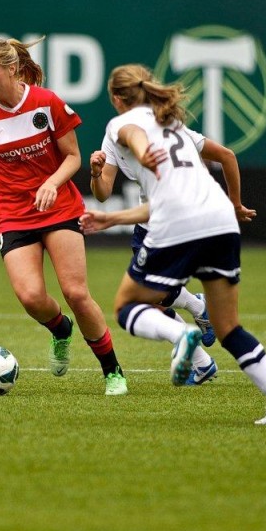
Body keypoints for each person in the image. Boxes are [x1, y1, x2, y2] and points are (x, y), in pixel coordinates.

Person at [81, 64, 266, 422]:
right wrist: (112, 218)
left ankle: (181, 333)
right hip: (220, 221)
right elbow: (186, 183)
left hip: (176, 224)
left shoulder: (122, 124)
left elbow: (134, 133)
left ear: (117, 98)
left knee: (126, 306)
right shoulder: (173, 125)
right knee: (229, 327)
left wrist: (140, 150)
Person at [0, 37, 128, 396]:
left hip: (58, 207)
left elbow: (73, 156)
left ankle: (112, 370)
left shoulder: (46, 102)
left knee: (76, 292)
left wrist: (52, 183)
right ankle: (60, 330)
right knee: (31, 297)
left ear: (12, 69)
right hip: (11, 214)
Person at [89, 119, 220, 386]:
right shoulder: (113, 135)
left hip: (176, 225)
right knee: (150, 302)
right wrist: (95, 173)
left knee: (141, 300)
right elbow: (103, 193)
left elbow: (220, 158)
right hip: (145, 228)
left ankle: (198, 318)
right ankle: (201, 354)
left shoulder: (165, 125)